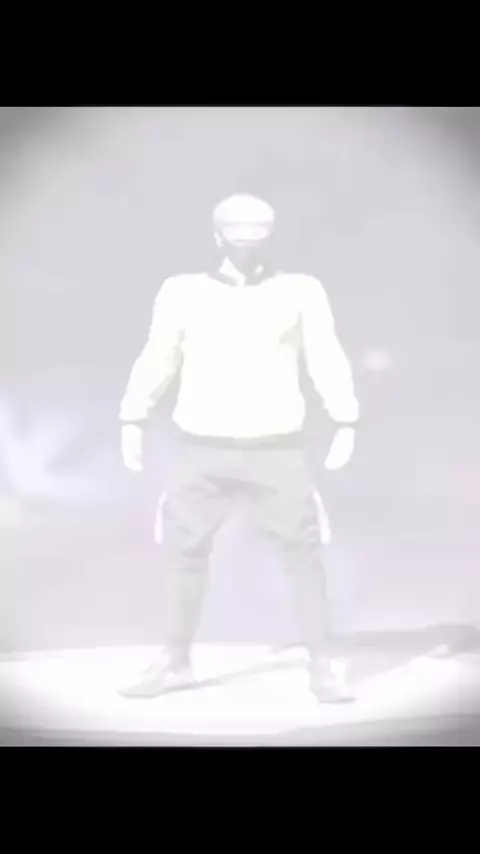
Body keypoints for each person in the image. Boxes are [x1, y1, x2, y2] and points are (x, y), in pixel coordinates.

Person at [119, 194, 359, 702]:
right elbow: (158, 356)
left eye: (256, 237)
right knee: (184, 552)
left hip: (277, 448)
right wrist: (133, 415)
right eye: (236, 237)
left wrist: (345, 416)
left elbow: (325, 355)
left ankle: (322, 663)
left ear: (270, 237)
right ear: (217, 236)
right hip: (201, 448)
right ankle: (175, 661)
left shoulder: (300, 291)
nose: (246, 248)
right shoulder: (182, 292)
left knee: (303, 554)